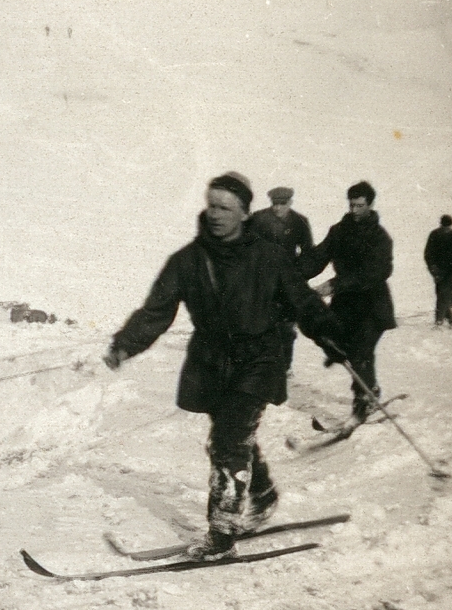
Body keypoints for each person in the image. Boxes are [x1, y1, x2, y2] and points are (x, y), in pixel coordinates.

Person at [103, 172, 343, 561]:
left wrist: (333, 336)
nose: (215, 214)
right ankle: (262, 494)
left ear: (245, 213)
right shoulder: (188, 260)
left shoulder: (269, 256)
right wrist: (124, 345)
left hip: (260, 358)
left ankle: (222, 533)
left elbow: (303, 302)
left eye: (225, 208)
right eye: (211, 205)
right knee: (229, 436)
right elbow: (157, 310)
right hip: (212, 362)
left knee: (230, 441)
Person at [300, 181, 397, 425]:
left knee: (362, 351)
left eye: (360, 206)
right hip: (345, 306)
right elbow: (317, 258)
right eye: (351, 205)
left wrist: (335, 285)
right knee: (344, 347)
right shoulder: (339, 231)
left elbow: (377, 272)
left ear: (371, 205)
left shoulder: (380, 237)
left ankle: (362, 402)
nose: (354, 211)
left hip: (372, 305)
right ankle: (370, 389)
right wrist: (292, 275)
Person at [250, 187, 315, 370]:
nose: (278, 208)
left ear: (290, 203)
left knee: (287, 327)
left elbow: (308, 253)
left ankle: (285, 366)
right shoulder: (259, 219)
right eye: (274, 204)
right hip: (263, 281)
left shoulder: (300, 221)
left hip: (287, 283)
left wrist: (299, 276)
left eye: (282, 204)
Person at [423, 215, 452, 327]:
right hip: (438, 270)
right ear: (441, 225)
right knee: (441, 293)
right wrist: (432, 267)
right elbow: (427, 253)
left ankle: (439, 320)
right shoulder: (434, 235)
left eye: (448, 226)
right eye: (445, 226)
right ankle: (451, 320)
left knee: (443, 293)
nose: (447, 229)